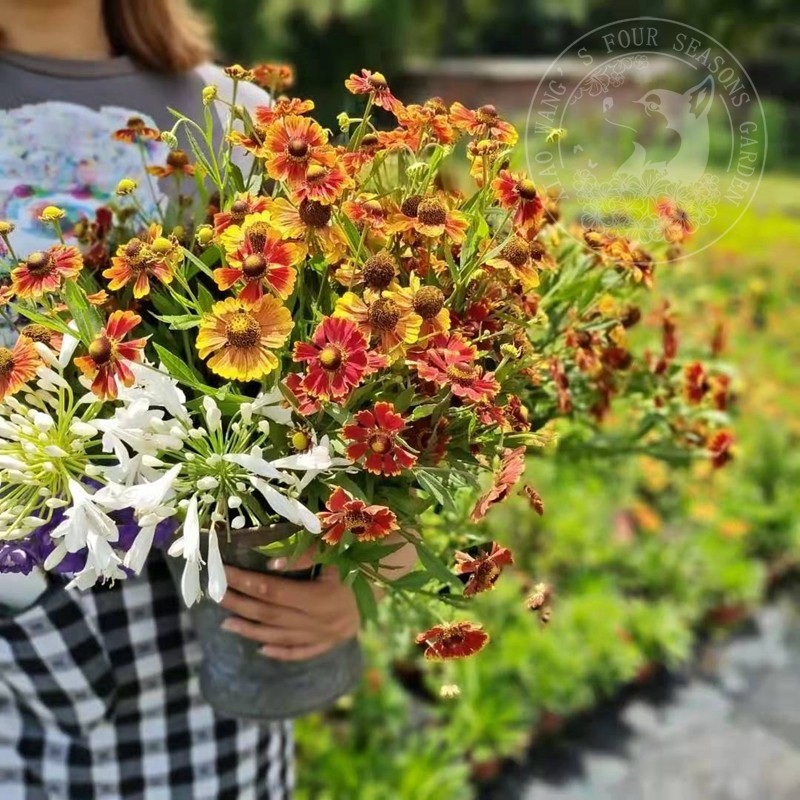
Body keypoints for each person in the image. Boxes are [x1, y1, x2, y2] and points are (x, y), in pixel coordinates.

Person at [0, 2, 414, 797]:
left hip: (223, 647)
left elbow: (365, 375)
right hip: (24, 645)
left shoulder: (238, 116)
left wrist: (364, 571)